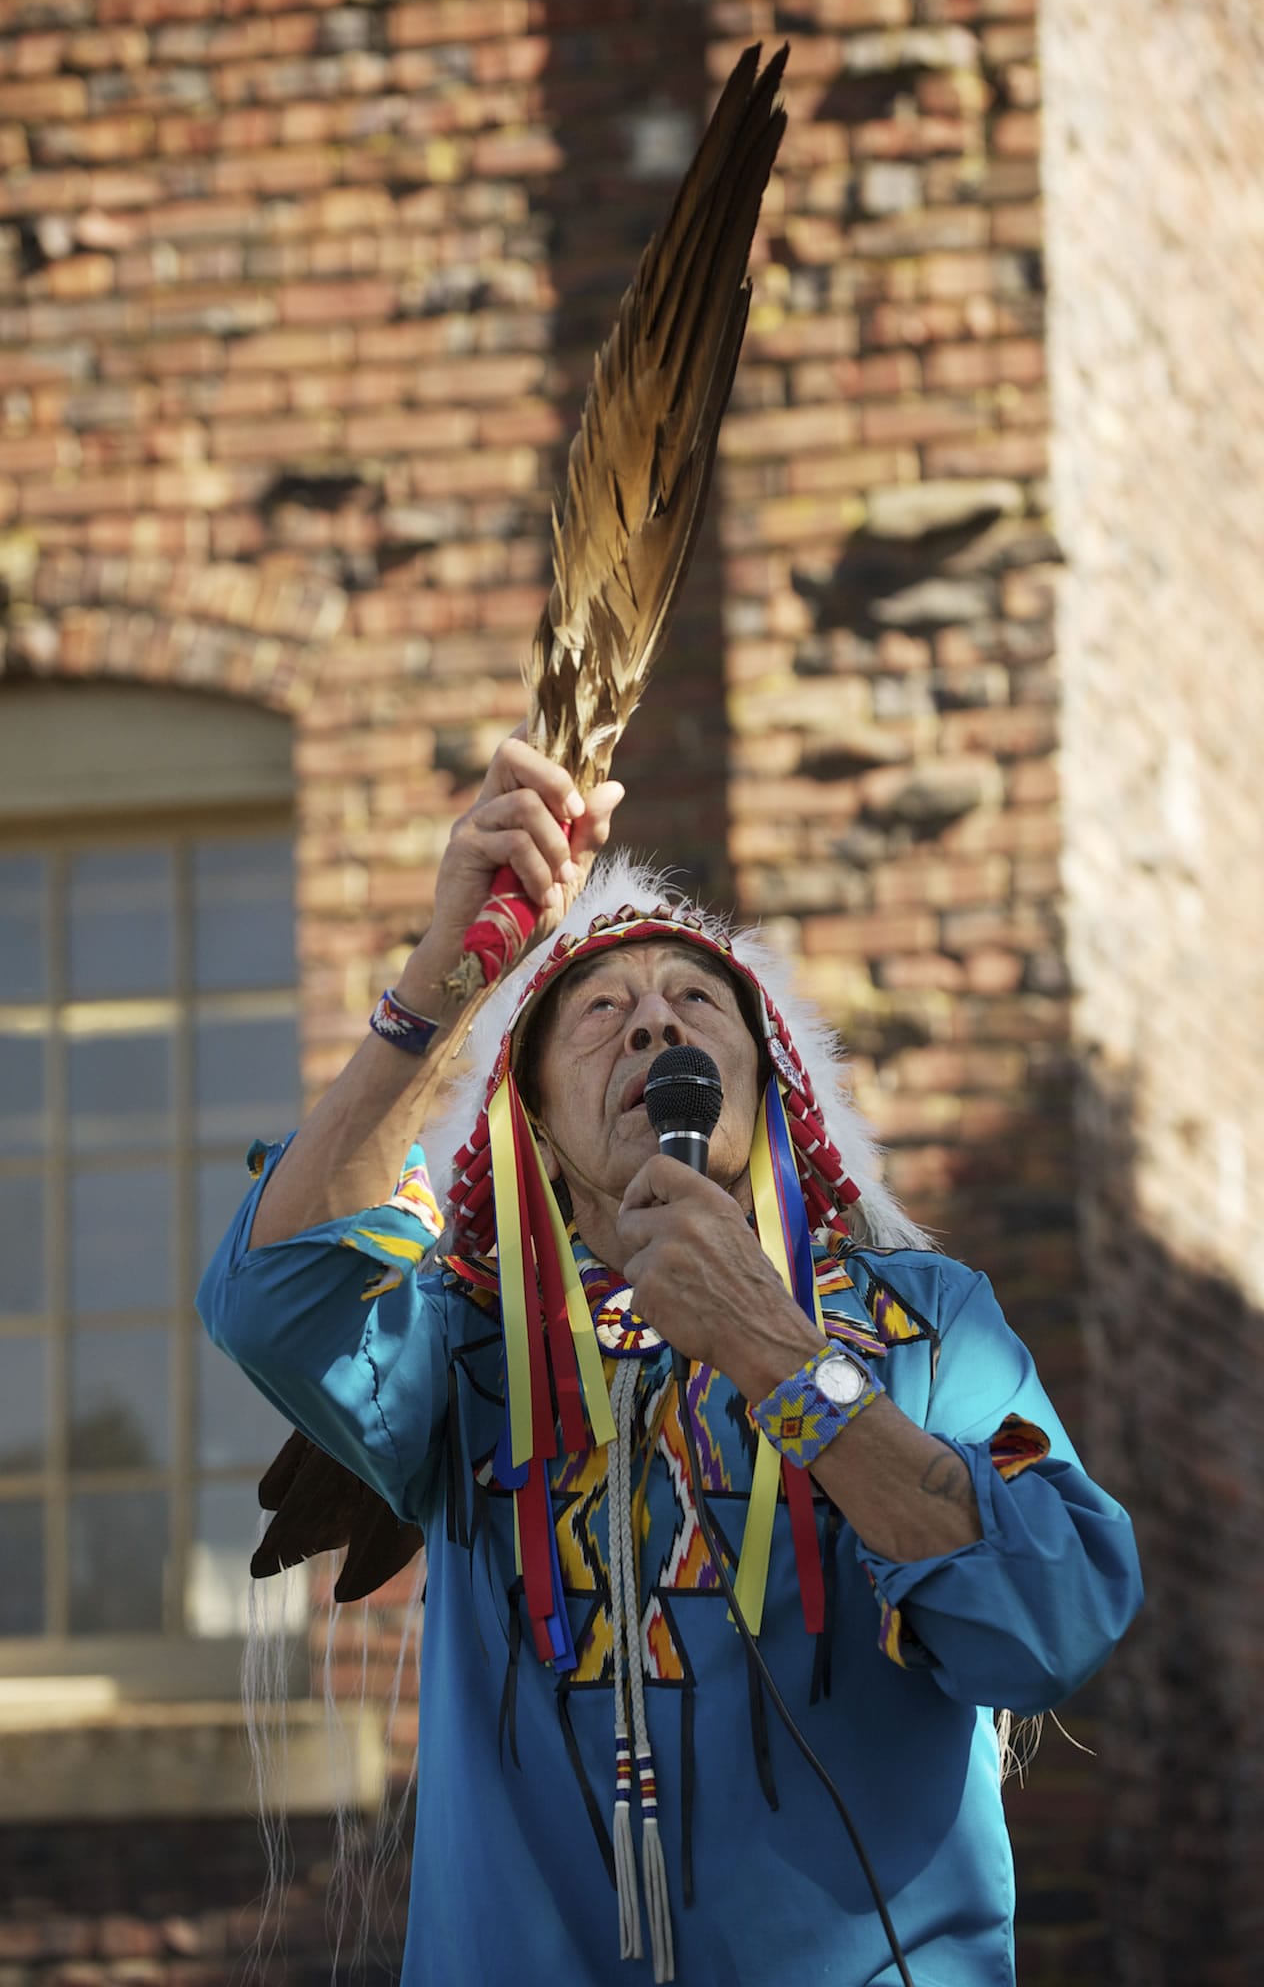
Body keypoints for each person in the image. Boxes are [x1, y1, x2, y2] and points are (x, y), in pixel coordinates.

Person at [199, 735, 1143, 1987]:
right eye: (598, 1009)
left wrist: (782, 1355)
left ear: (767, 1079)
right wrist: (451, 971)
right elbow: (272, 1294)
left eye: (698, 1002)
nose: (653, 1015)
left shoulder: (932, 1324)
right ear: (529, 1113)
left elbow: (1061, 1608)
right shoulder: (465, 1346)